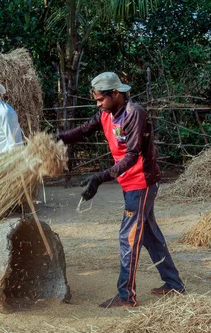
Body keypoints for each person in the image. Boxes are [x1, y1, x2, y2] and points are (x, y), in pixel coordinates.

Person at [57, 72, 185, 308]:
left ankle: (126, 296)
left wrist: (100, 177)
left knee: (129, 237)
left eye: (100, 100)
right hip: (129, 182)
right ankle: (174, 283)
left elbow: (132, 154)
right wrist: (57, 138)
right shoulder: (107, 113)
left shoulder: (133, 113)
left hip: (142, 182)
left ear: (115, 93)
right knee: (148, 235)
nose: (98, 105)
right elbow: (84, 130)